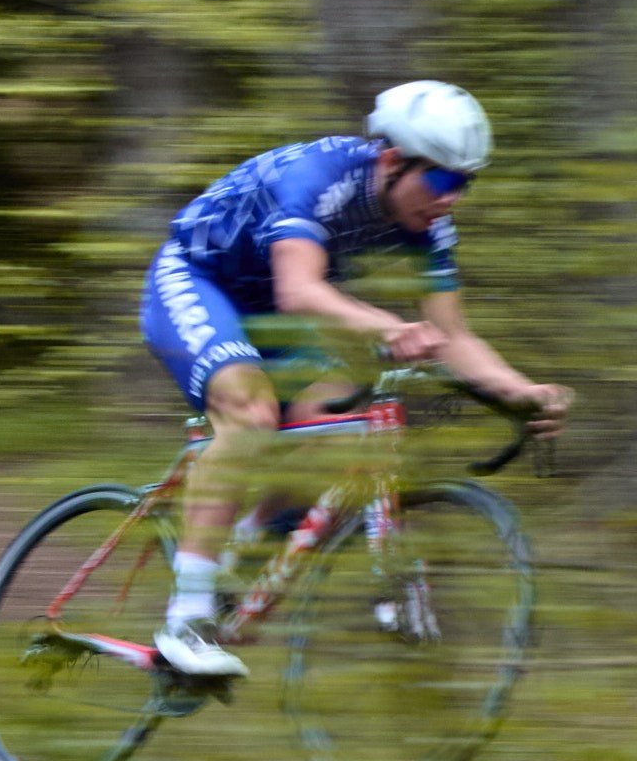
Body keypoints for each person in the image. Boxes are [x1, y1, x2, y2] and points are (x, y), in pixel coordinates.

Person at [138, 81, 570, 679]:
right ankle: (186, 619)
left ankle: (237, 553)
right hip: (198, 280)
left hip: (271, 313)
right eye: (442, 179)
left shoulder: (429, 224)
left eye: (464, 184)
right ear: (392, 160)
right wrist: (390, 327)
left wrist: (521, 390)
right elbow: (299, 290)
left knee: (339, 432)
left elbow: (455, 337)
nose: (451, 198)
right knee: (251, 414)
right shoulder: (319, 178)